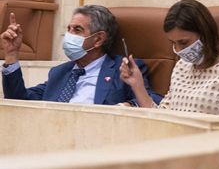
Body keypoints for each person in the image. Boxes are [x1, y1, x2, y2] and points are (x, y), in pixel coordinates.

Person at [120, 0, 219, 119]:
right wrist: (137, 85)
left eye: (184, 42)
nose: (178, 50)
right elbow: (162, 118)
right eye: (173, 43)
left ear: (205, 34)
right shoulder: (182, 66)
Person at [1, 8, 161, 105]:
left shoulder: (123, 69)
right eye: (68, 29)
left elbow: (153, 101)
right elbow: (19, 100)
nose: (69, 35)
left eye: (77, 30)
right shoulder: (60, 72)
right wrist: (12, 55)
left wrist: (127, 106)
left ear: (98, 39)